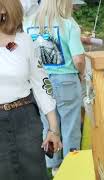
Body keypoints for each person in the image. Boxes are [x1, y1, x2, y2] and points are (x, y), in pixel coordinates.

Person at [0, 0, 62, 179]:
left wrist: (53, 128)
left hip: (25, 119)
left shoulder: (23, 42)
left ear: (4, 9)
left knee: (34, 174)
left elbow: (41, 83)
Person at [23, 0, 85, 175]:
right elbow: (79, 59)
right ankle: (72, 170)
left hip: (41, 82)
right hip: (66, 80)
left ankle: (54, 166)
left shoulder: (29, 23)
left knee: (48, 124)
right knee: (70, 126)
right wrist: (81, 74)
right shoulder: (68, 23)